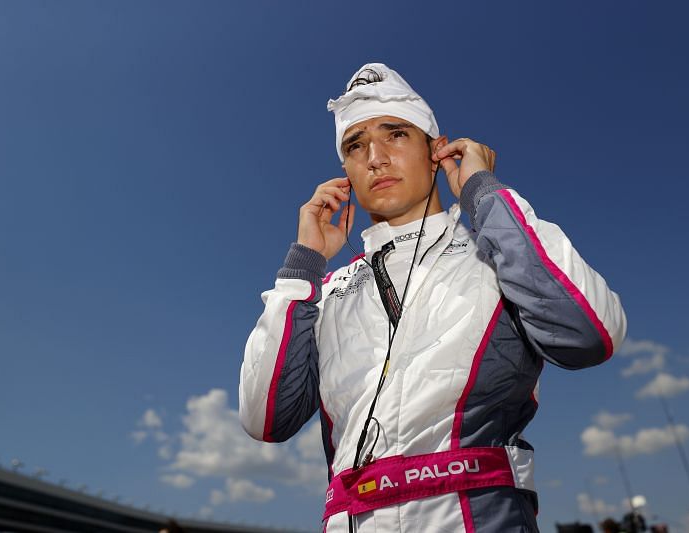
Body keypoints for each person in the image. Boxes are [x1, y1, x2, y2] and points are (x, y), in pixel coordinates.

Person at [240, 63, 626, 532]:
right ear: (345, 170)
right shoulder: (330, 291)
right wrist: (303, 266)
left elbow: (590, 334)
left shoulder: (498, 254)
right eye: (355, 146)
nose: (375, 158)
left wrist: (484, 193)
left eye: (396, 134)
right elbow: (265, 420)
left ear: (436, 150)